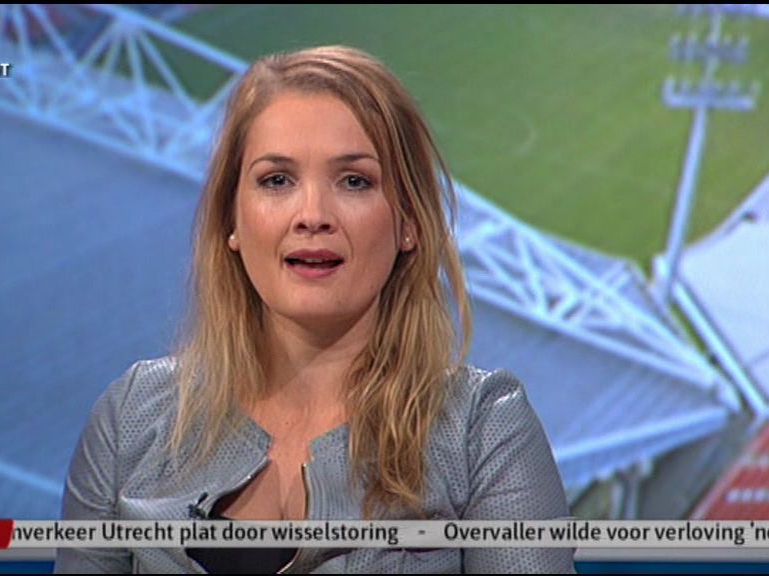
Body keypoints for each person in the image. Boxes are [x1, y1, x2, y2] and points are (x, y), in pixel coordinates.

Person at [56, 45, 575, 574]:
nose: (312, 215)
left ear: (409, 223)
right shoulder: (132, 418)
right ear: (232, 220)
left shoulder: (481, 430)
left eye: (354, 181)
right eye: (277, 180)